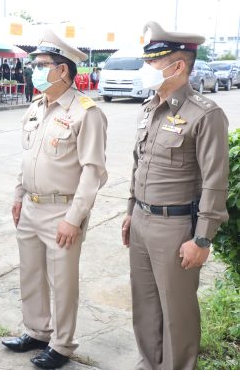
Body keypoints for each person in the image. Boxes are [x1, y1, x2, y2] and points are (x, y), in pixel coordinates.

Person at [121, 21, 229, 370]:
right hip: (140, 221)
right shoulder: (151, 107)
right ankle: (149, 364)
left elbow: (215, 181)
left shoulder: (205, 114)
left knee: (177, 313)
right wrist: (129, 210)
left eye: (152, 62)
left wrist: (202, 238)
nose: (145, 69)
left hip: (175, 227)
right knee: (145, 305)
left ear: (177, 66)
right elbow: (139, 164)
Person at [2, 29, 107, 369]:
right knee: (30, 275)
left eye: (42, 64)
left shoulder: (85, 112)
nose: (35, 69)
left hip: (62, 209)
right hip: (31, 206)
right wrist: (19, 196)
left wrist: (74, 218)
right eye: (35, 63)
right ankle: (36, 331)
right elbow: (27, 157)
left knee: (62, 283)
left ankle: (62, 346)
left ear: (63, 70)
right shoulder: (37, 107)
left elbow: (94, 172)